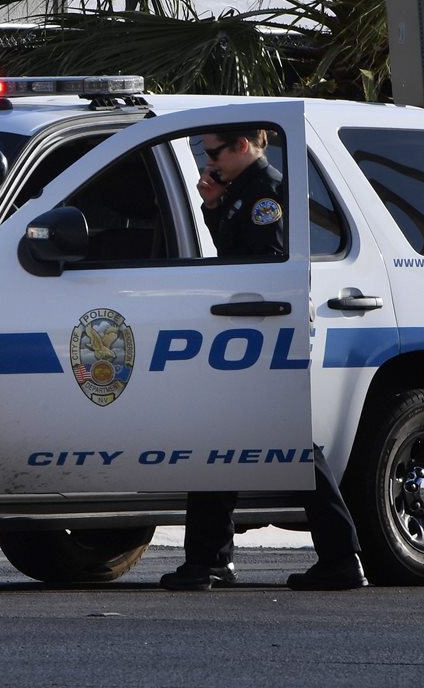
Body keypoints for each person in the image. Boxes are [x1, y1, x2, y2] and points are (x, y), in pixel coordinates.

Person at [159, 128, 367, 592]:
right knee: (224, 444)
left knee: (283, 447)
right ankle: (212, 558)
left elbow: (266, 265)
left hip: (259, 332)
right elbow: (235, 254)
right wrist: (213, 208)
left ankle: (340, 557)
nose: (207, 161)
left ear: (243, 146)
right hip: (244, 332)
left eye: (212, 152)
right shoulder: (241, 192)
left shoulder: (266, 193)